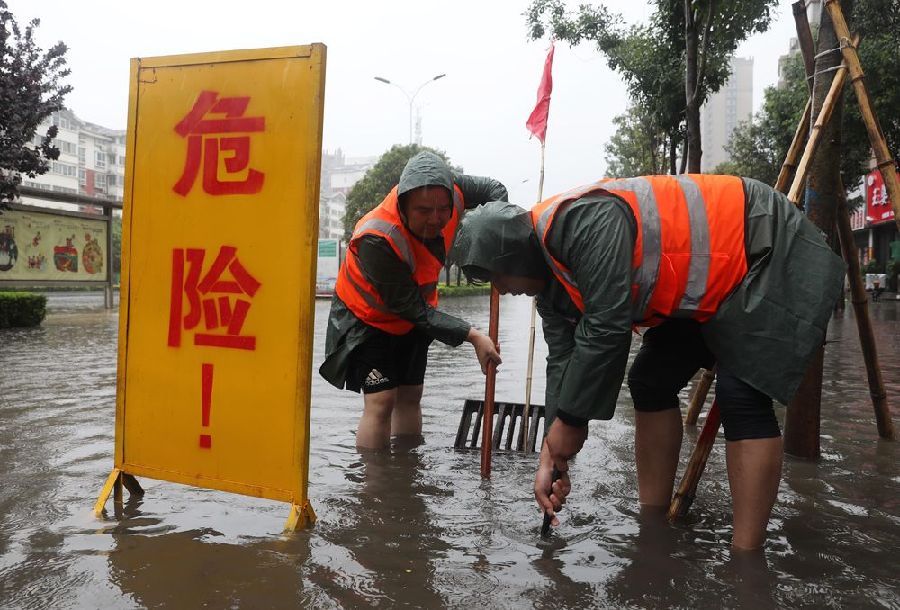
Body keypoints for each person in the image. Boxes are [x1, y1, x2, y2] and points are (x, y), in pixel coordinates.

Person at [452, 174, 845, 549]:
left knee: (740, 393)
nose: (501, 289)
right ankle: (653, 524)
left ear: (518, 258)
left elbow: (607, 328)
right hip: (706, 290)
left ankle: (746, 560)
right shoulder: (552, 290)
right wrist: (550, 454)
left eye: (498, 277)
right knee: (650, 381)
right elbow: (564, 364)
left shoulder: (584, 222)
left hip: (765, 249)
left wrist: (571, 423)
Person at [320, 151, 506, 451]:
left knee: (411, 394)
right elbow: (410, 309)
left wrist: (496, 225)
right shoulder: (376, 237)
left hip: (417, 314)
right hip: (368, 319)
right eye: (423, 210)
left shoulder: (452, 190)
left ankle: (406, 472)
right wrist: (473, 336)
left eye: (443, 209)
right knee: (382, 400)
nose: (436, 219)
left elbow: (494, 190)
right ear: (403, 203)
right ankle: (377, 486)